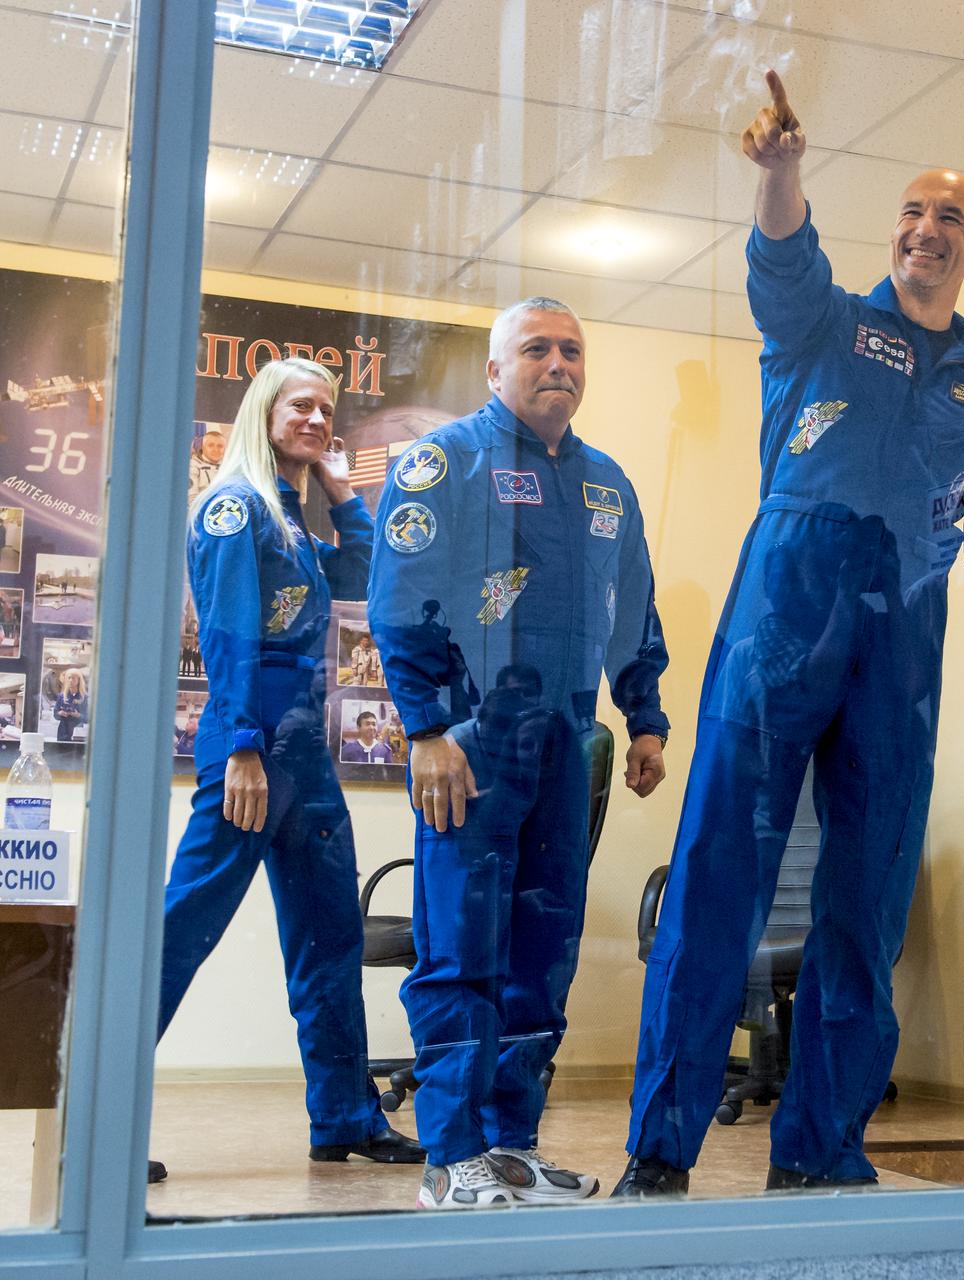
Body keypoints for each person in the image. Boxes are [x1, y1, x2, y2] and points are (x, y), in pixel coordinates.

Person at [613, 72, 964, 1198]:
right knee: (718, 875)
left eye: (951, 217)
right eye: (910, 210)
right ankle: (660, 1149)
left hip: (901, 649)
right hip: (782, 616)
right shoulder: (827, 328)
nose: (925, 229)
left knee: (867, 901)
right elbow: (782, 260)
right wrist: (780, 172)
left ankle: (821, 1148)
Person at [368, 297, 670, 1211]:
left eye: (573, 350)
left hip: (567, 748)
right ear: (496, 371)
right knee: (462, 945)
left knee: (544, 950)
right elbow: (399, 596)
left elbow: (634, 607)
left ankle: (511, 1146)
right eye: (536, 349)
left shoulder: (607, 483)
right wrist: (424, 728)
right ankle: (450, 1154)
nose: (558, 364)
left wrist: (645, 714)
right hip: (468, 743)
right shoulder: (446, 462)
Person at [154, 357, 421, 1184]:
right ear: (263, 411)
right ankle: (94, 1113)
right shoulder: (236, 509)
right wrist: (238, 746)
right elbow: (229, 632)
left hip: (307, 759)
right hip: (254, 748)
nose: (313, 418)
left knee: (330, 938)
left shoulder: (296, 524)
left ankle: (344, 1116)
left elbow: (371, 583)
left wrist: (345, 495)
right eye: (298, 404)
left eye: (325, 409)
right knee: (179, 939)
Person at [188, 421, 227, 502]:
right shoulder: (193, 466)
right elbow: (191, 499)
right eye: (210, 445)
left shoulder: (228, 467)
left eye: (220, 446)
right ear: (202, 447)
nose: (215, 450)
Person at [53, 668, 88, 742]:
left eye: (73, 678)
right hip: (63, 733)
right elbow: (55, 715)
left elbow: (87, 719)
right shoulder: (61, 696)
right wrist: (60, 713)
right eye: (69, 678)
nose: (71, 680)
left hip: (77, 732)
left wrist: (78, 715)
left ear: (79, 680)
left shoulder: (84, 698)